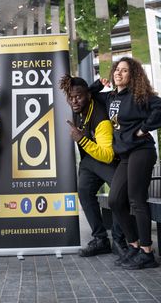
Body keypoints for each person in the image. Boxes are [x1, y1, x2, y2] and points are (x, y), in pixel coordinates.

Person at [94, 57, 161, 269]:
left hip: (142, 150)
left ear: (133, 75)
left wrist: (144, 129)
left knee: (136, 199)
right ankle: (133, 246)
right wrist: (99, 84)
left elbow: (160, 107)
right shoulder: (111, 97)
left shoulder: (140, 95)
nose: (119, 73)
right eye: (117, 70)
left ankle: (147, 252)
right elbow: (89, 93)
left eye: (124, 71)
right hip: (125, 154)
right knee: (115, 200)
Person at [59, 74, 126, 257]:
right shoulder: (79, 101)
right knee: (84, 191)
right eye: (71, 97)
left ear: (88, 96)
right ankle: (100, 240)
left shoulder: (100, 118)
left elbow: (107, 155)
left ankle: (120, 240)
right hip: (89, 161)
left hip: (110, 162)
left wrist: (82, 139)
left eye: (78, 97)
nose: (74, 101)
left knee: (119, 195)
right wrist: (96, 85)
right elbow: (87, 90)